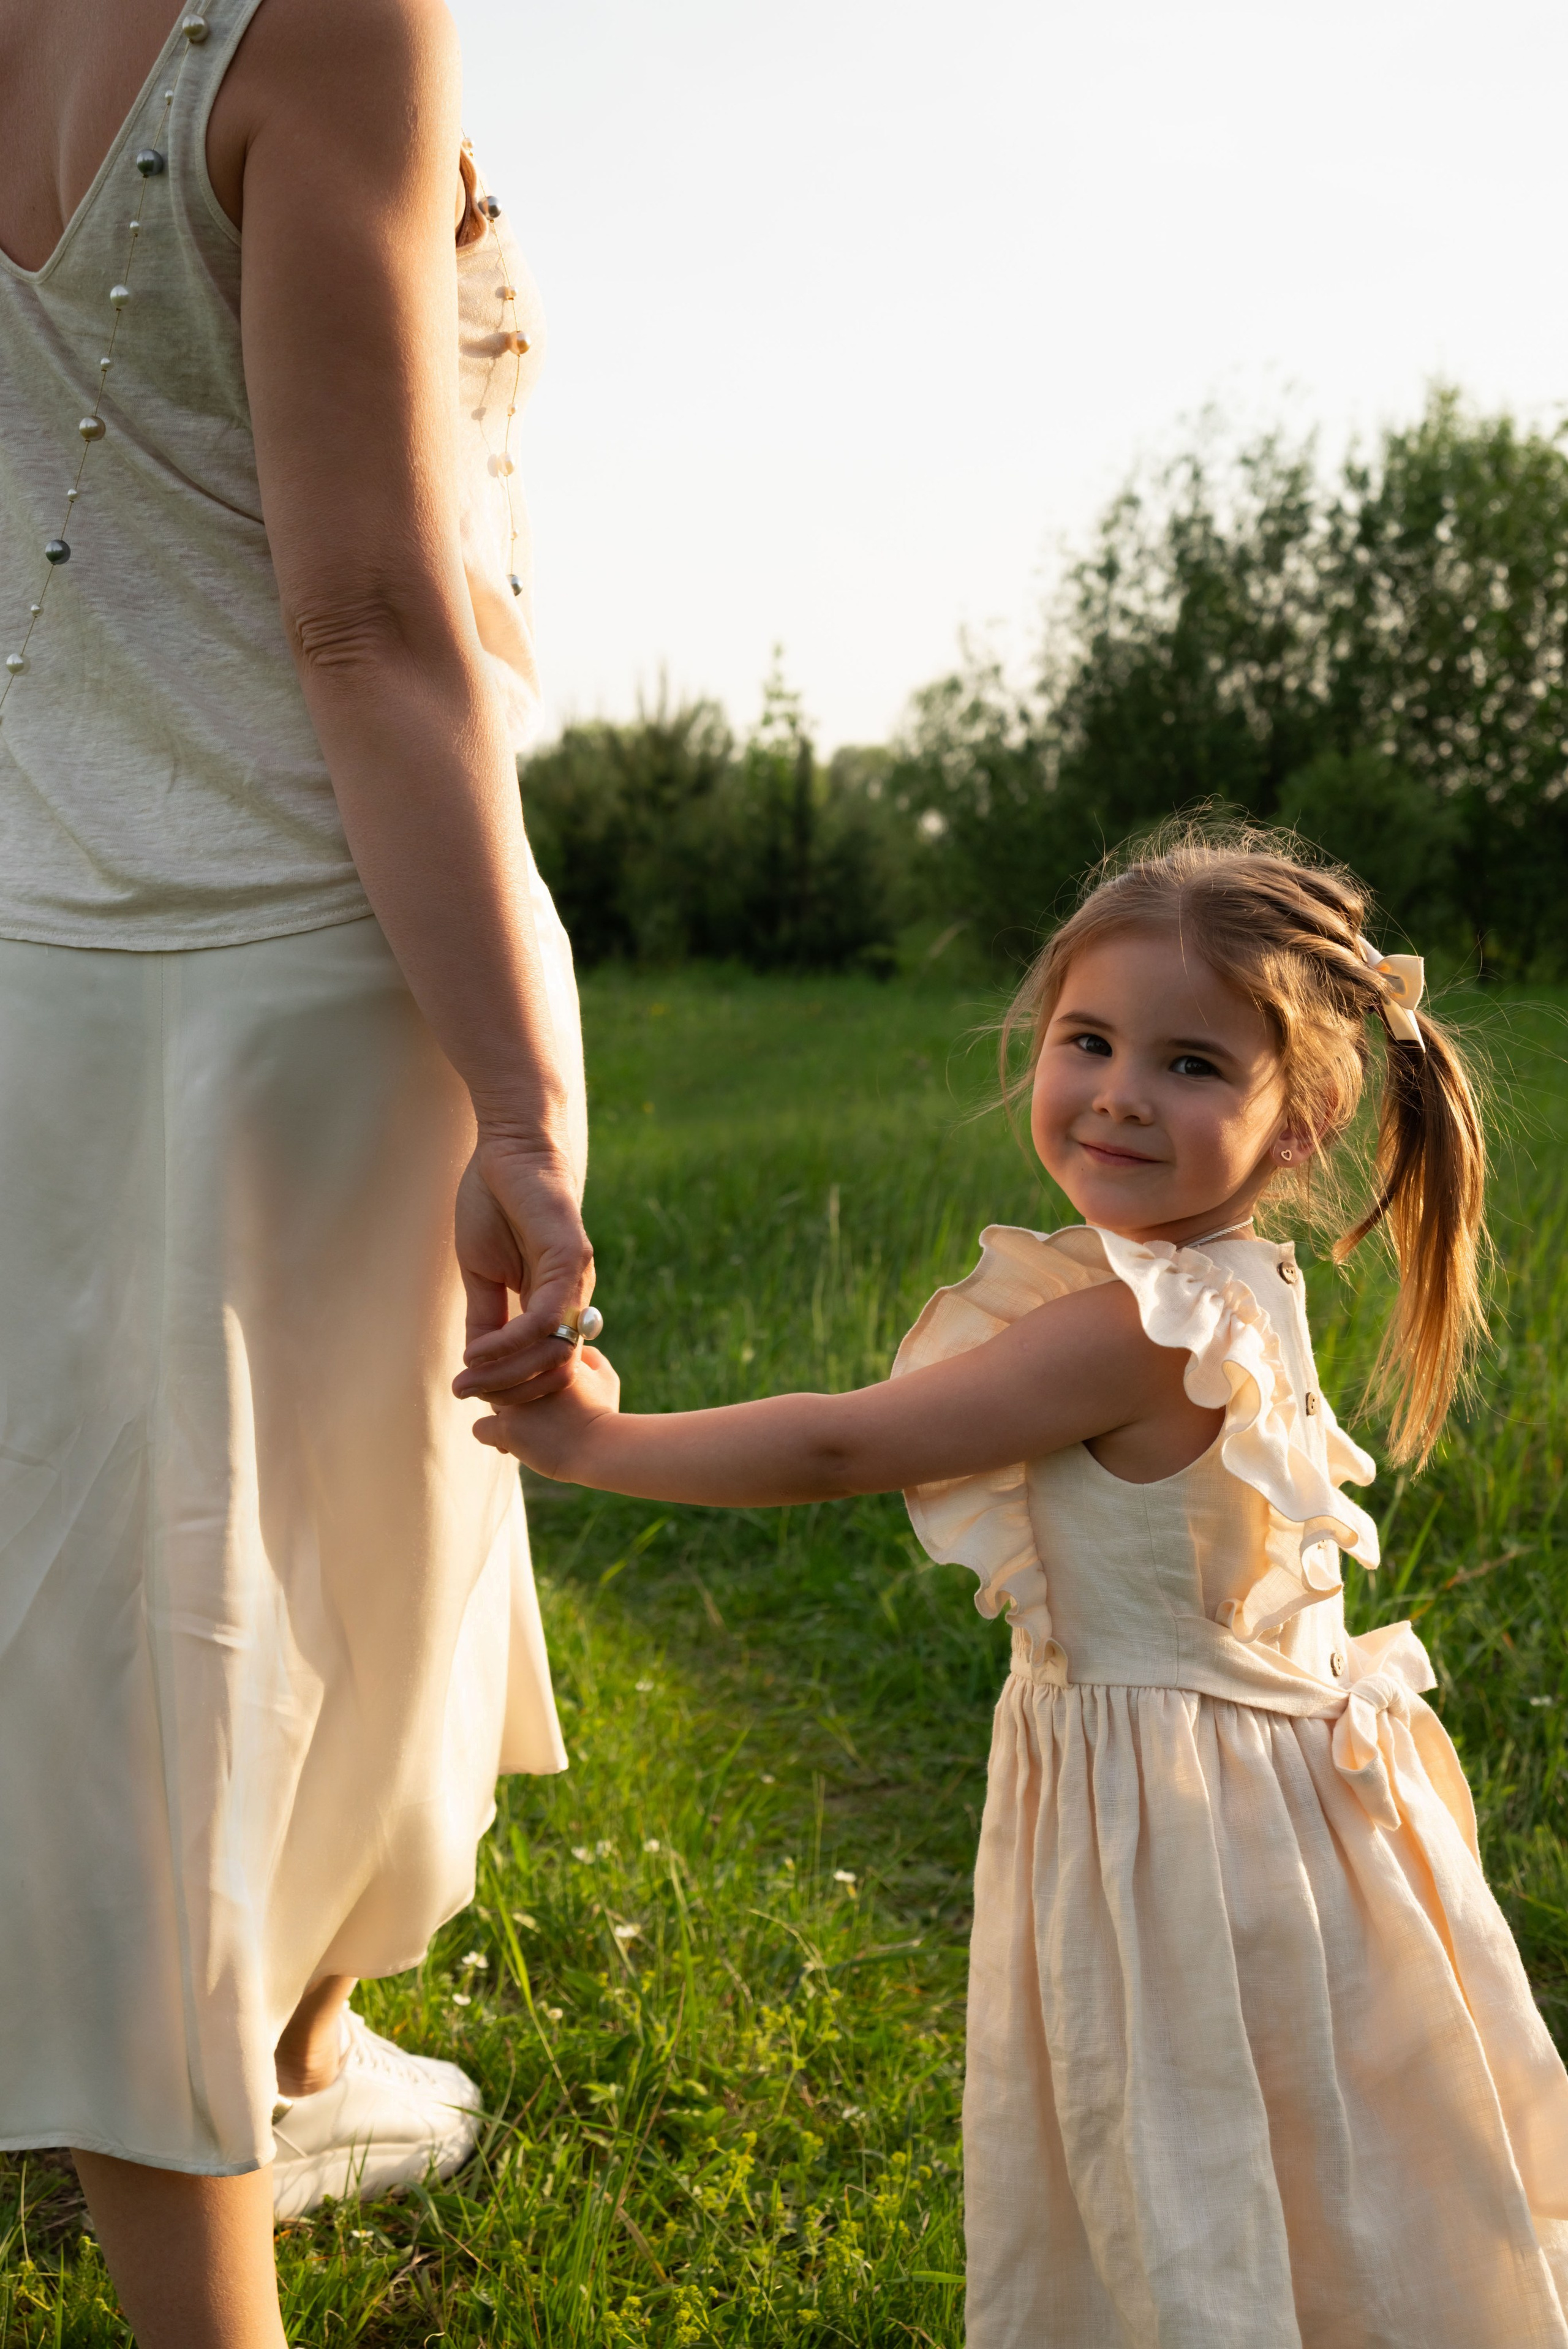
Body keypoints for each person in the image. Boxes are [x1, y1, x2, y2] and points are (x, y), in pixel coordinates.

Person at [485, 830, 1568, 2345]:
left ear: (1299, 1118)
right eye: (1088, 1040)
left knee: (1174, 2156)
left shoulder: (1130, 1328)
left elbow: (838, 1442)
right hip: (1251, 1815)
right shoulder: (1228, 1283)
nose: (1121, 1089)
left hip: (1179, 1840)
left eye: (1191, 1063)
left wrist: (589, 1442)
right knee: (1299, 2148)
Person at [0, 0, 591, 2341]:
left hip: (37, 925)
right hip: (297, 942)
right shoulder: (333, 17)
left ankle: (296, 2059)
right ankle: (200, 2295)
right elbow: (362, 609)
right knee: (203, 1644)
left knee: (232, 1576)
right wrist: (527, 1094)